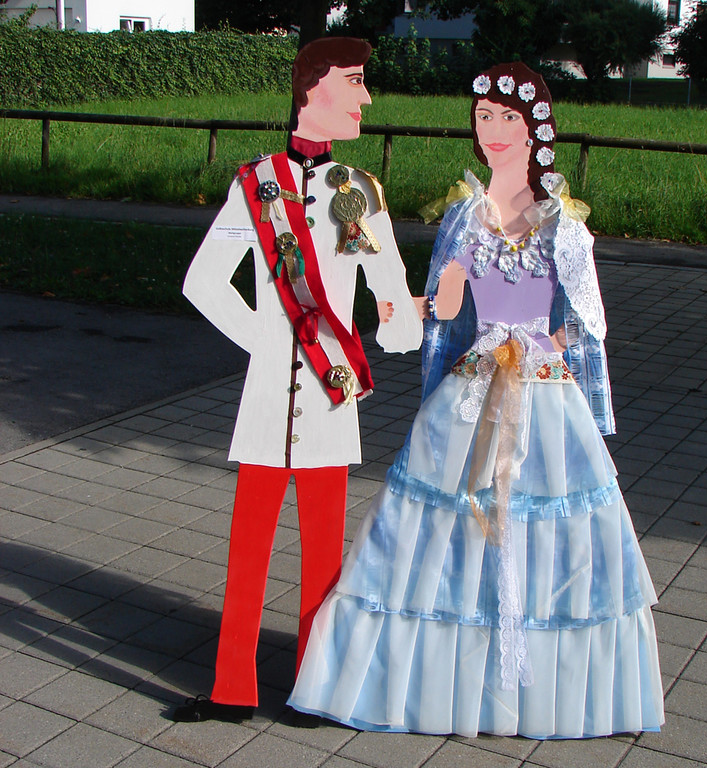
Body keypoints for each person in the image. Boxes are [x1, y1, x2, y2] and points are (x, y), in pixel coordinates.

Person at [288, 62, 663, 739]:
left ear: (536, 128)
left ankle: (533, 687)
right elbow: (447, 307)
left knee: (547, 525)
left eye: (506, 118)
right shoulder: (465, 216)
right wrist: (386, 302)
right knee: (440, 522)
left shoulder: (563, 225)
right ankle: (431, 683)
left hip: (542, 394)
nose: (491, 130)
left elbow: (588, 319)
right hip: (472, 385)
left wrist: (539, 344)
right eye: (483, 117)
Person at [173, 37, 422, 723]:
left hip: (329, 397)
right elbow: (204, 282)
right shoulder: (254, 184)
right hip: (265, 404)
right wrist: (266, 338)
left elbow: (391, 297)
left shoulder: (359, 191)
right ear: (314, 86)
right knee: (247, 552)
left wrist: (411, 317)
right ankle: (231, 691)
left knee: (324, 558)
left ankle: (313, 690)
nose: (366, 96)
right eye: (355, 80)